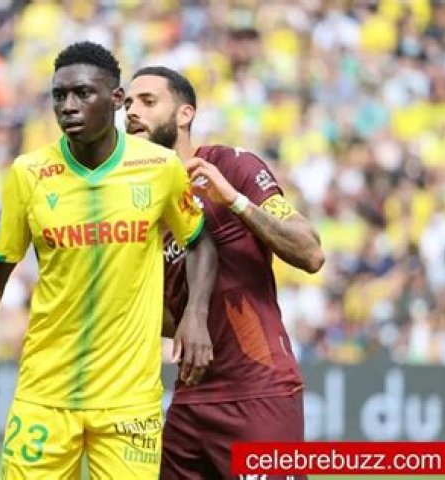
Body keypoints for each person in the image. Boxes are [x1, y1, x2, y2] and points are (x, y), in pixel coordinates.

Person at [0, 42, 216, 479]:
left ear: (117, 99)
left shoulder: (160, 168)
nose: (68, 106)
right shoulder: (29, 174)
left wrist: (195, 315)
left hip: (129, 400)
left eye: (83, 93)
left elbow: (200, 242)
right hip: (44, 395)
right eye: (59, 95)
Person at [125, 66, 325, 480]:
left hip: (258, 391)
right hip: (190, 398)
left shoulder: (231, 166)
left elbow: (310, 252)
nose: (131, 111)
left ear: (185, 114)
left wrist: (234, 200)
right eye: (127, 103)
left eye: (147, 101)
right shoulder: (137, 204)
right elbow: (168, 315)